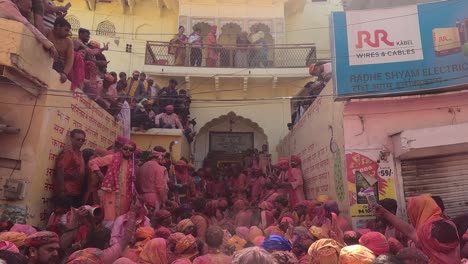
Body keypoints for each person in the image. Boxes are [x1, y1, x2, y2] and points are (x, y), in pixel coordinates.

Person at [375, 194, 460, 264]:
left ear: (417, 210)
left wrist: (383, 212)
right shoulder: (450, 224)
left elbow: (409, 231)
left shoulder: (425, 230)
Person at [88, 139, 137, 223]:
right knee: (109, 218)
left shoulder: (131, 163)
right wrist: (99, 174)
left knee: (122, 218)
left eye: (131, 150)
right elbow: (92, 162)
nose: (128, 151)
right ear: (121, 148)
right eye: (125, 148)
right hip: (111, 192)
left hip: (125, 195)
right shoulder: (113, 158)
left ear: (133, 152)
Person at [54, 129, 86, 208]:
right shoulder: (68, 152)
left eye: (83, 140)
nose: (81, 141)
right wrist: (61, 191)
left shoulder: (79, 153)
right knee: (64, 219)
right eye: (78, 139)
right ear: (71, 139)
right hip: (67, 192)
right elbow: (60, 170)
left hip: (76, 192)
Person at [136, 146, 169, 212]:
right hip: (154, 198)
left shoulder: (142, 166)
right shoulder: (159, 168)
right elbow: (160, 187)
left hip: (141, 197)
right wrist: (164, 201)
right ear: (160, 157)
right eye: (164, 157)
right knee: (153, 220)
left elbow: (137, 183)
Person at [47, 17, 74, 83]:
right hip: (44, 63)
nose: (68, 33)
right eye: (66, 30)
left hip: (59, 69)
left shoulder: (69, 42)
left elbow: (70, 59)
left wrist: (65, 73)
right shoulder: (47, 32)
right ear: (58, 26)